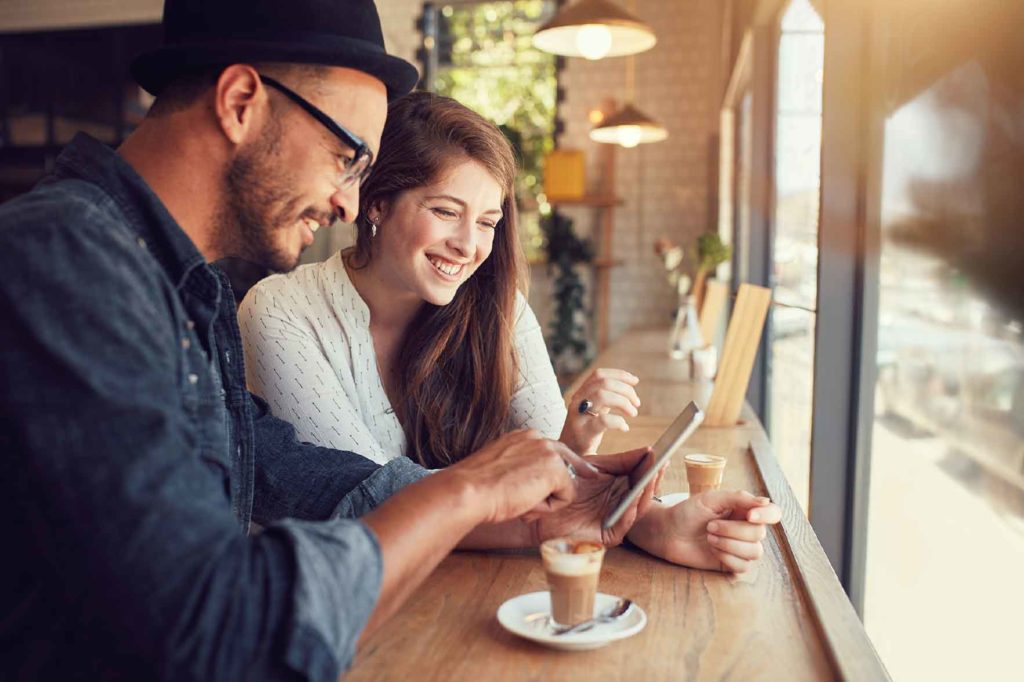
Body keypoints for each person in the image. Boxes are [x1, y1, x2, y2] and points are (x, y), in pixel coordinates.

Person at [0, 1, 781, 680]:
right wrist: (470, 487)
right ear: (240, 101)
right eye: (347, 158)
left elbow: (317, 482)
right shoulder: (64, 264)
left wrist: (593, 516)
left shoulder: (187, 289)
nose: (348, 202)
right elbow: (216, 633)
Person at [238, 90, 640, 467]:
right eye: (446, 212)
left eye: (487, 223)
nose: (469, 246)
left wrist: (575, 443)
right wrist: (534, 479)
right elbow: (364, 494)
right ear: (376, 204)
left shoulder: (501, 307)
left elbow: (554, 472)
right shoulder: (280, 310)